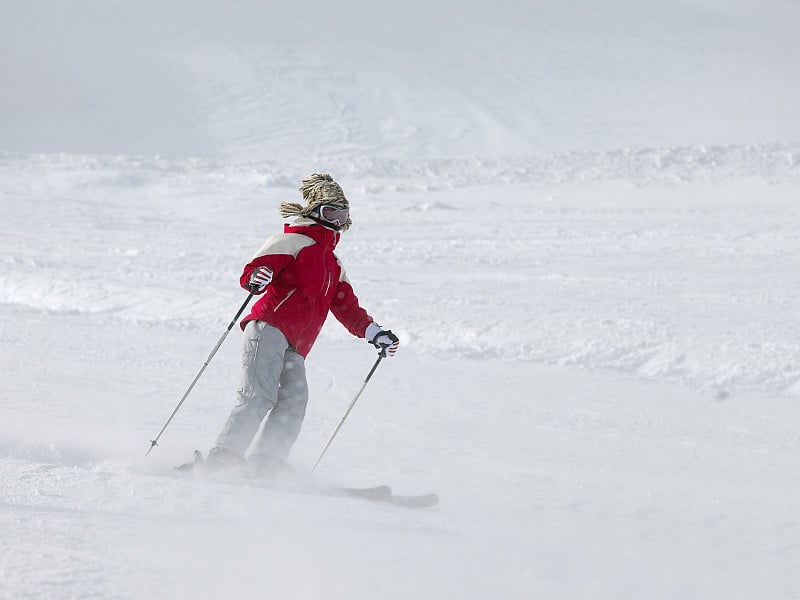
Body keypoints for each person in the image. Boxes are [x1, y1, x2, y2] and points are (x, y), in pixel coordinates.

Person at [206, 173, 399, 471]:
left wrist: (374, 332)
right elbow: (254, 270)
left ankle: (266, 464)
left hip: (297, 346)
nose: (335, 219)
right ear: (314, 212)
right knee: (259, 395)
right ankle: (222, 459)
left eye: (341, 213)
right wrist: (256, 279)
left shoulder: (333, 264)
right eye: (329, 211)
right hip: (268, 328)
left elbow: (348, 307)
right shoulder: (292, 240)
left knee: (294, 401)